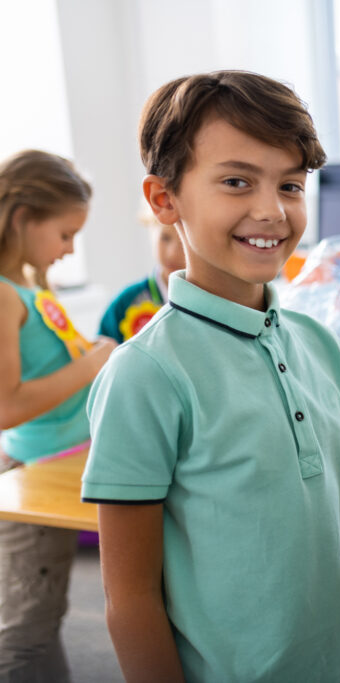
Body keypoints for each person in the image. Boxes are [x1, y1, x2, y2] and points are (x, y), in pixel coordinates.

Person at [81, 70, 340, 682]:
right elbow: (129, 602)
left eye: (290, 185)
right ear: (164, 200)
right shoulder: (144, 374)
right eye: (236, 181)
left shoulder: (319, 344)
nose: (271, 211)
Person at [0, 149, 116, 681]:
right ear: (24, 219)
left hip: (59, 463)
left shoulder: (27, 288)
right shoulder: (4, 296)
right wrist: (92, 363)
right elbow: (7, 405)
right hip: (33, 475)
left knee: (45, 612)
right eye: (66, 234)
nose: (70, 249)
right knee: (26, 625)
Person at [97, 213, 185, 343]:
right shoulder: (126, 301)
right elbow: (103, 350)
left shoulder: (208, 298)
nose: (172, 253)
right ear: (151, 233)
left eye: (183, 242)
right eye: (165, 238)